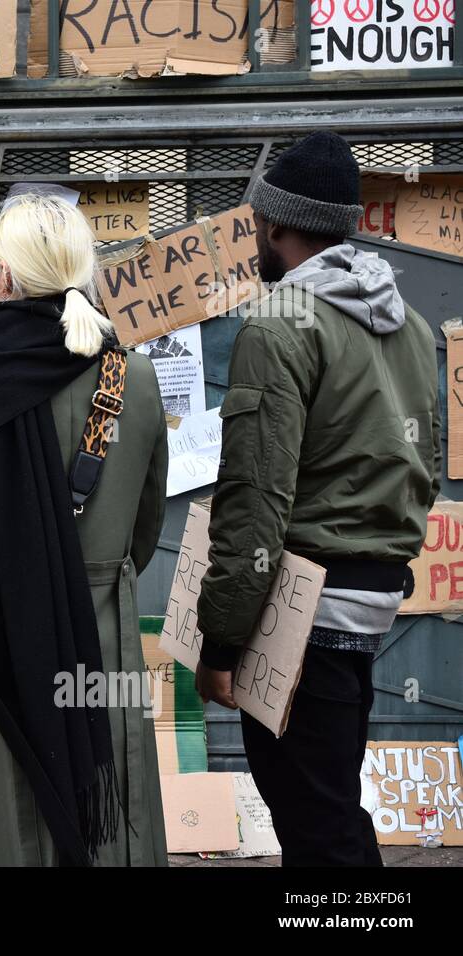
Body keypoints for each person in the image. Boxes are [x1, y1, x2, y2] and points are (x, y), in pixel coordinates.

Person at [0, 193, 168, 866]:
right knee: (106, 821)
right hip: (99, 634)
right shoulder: (131, 374)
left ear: (5, 277)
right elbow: (145, 528)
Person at [194, 131, 441, 866]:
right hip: (366, 607)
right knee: (328, 803)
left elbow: (256, 499)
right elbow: (423, 464)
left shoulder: (280, 324)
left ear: (275, 224)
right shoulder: (410, 324)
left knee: (318, 827)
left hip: (302, 619)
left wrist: (221, 643)